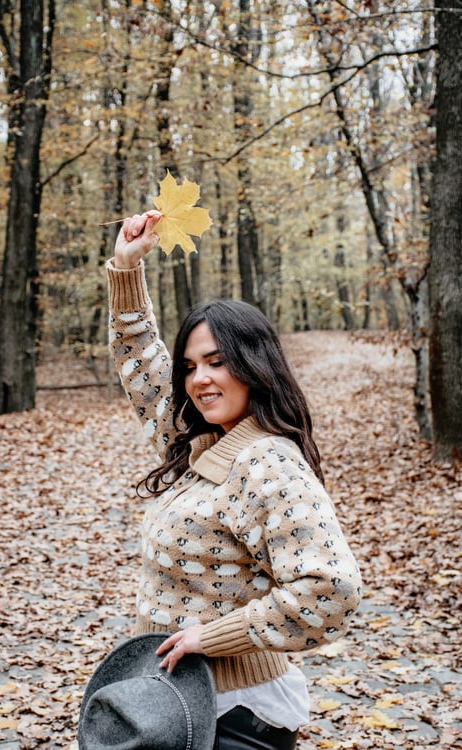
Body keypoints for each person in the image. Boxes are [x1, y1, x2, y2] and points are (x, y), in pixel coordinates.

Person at [106, 209, 362, 750]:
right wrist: (126, 270)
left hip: (236, 721)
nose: (200, 378)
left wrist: (212, 637)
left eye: (218, 362)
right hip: (179, 702)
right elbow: (147, 376)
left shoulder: (267, 462)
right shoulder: (203, 448)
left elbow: (330, 589)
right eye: (192, 365)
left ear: (253, 365)